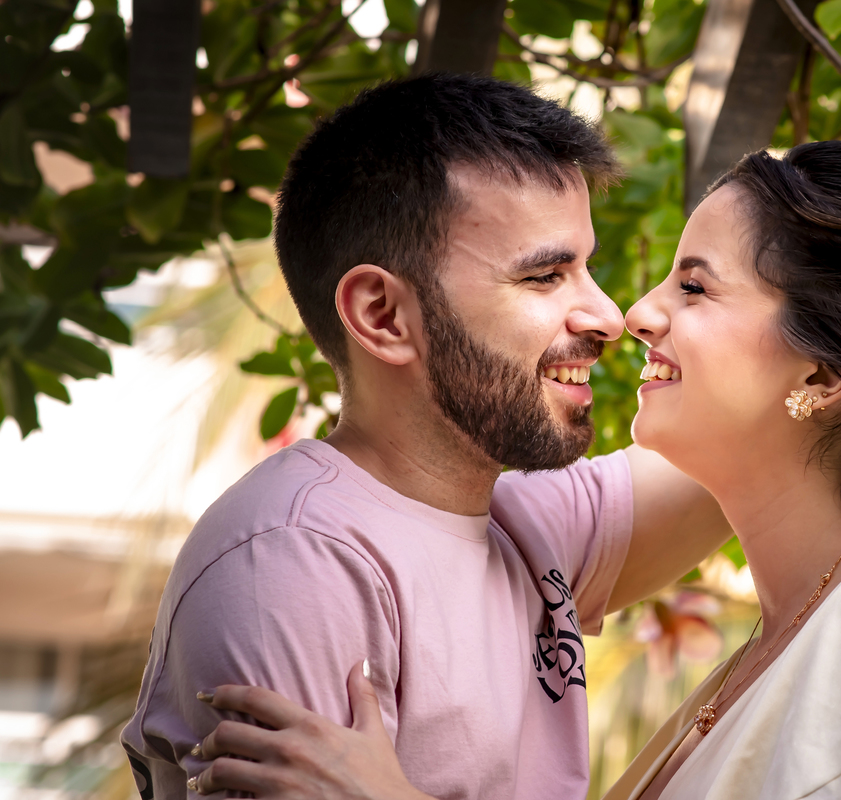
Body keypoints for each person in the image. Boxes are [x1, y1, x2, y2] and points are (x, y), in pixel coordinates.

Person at [184, 140, 841, 799]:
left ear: (827, 366)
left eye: (695, 283)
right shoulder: (788, 626)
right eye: (547, 273)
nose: (627, 312)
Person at [119, 73, 734, 800]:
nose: (604, 314)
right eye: (545, 276)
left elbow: (758, 436)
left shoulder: (522, 525)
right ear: (382, 315)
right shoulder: (295, 568)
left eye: (586, 267)